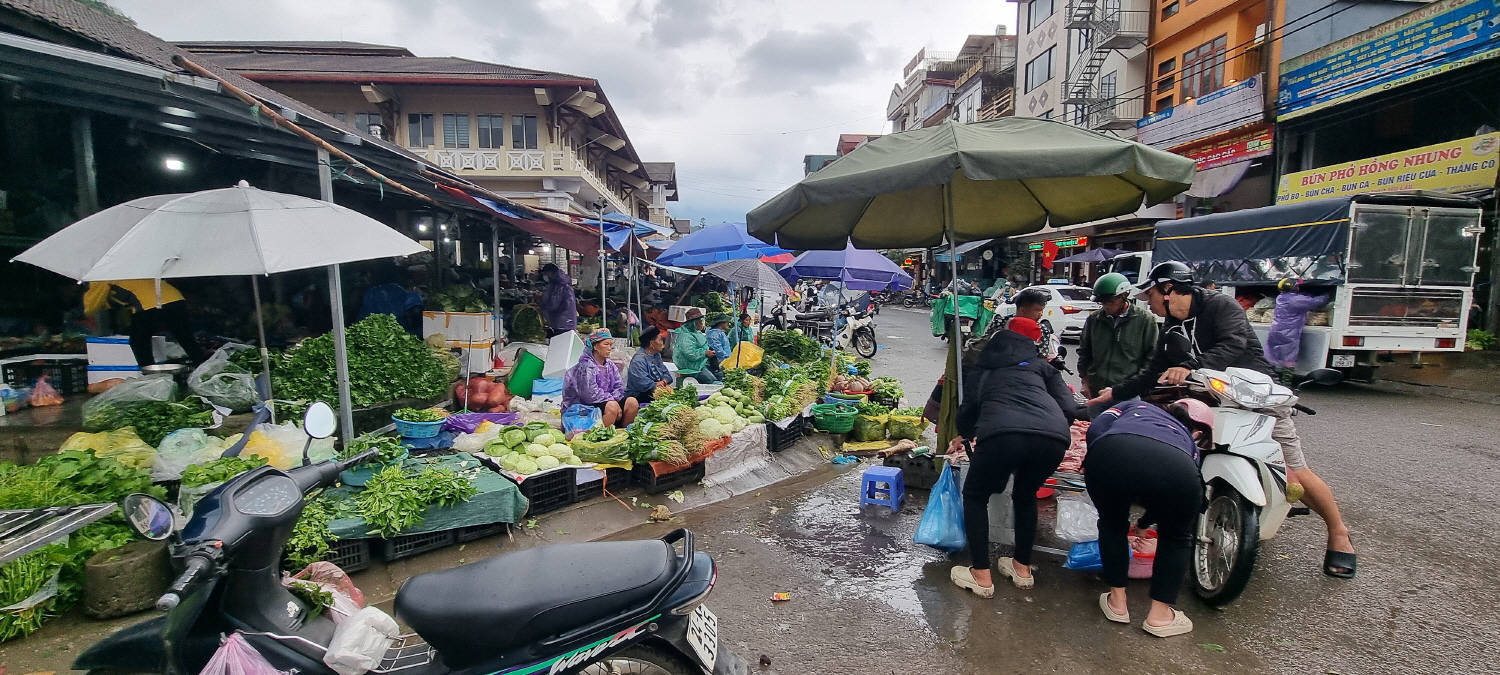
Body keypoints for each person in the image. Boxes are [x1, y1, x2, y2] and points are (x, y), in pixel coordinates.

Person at [1088, 261, 1357, 578]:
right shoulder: (1172, 324)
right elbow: (1152, 371)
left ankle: (1339, 532)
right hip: (1210, 401)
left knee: (1294, 471)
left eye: (1151, 296)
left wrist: (1192, 367)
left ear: (1169, 289)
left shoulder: (1220, 305)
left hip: (1258, 398)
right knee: (1184, 457)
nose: (1149, 304)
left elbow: (1233, 344)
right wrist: (1115, 393)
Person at [949, 316, 1078, 597]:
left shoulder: (982, 369)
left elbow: (968, 411)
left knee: (975, 495)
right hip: (1053, 439)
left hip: (1001, 435)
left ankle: (981, 575)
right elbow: (1070, 407)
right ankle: (1021, 568)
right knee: (1025, 494)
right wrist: (1050, 427)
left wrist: (967, 434)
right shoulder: (1043, 367)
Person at [1086, 398, 1211, 637]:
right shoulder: (1189, 443)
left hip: (1111, 451)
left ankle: (1117, 602)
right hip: (1176, 467)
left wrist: (1094, 458)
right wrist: (1146, 522)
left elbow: (1097, 427)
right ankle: (1160, 616)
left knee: (1112, 524)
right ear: (1197, 431)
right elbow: (1171, 495)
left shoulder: (1136, 406)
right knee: (1176, 537)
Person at [1077, 273, 1157, 411]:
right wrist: (1085, 380)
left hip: (1128, 393)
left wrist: (1135, 384)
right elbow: (1084, 352)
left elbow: (1152, 358)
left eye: (1110, 302)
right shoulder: (1094, 320)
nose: (1106, 307)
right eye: (1102, 303)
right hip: (1097, 391)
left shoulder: (1145, 320)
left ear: (1124, 296)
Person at [84, 279, 207, 367]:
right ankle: (204, 368)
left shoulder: (100, 277)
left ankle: (149, 374)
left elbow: (92, 303)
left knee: (139, 342)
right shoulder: (125, 269)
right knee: (185, 338)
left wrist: (85, 313)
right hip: (175, 299)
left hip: (150, 304)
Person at [562, 329, 638, 427]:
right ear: (595, 346)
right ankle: (602, 436)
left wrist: (614, 399)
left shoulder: (610, 365)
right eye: (606, 344)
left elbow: (619, 386)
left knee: (632, 402)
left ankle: (623, 432)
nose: (609, 348)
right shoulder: (585, 367)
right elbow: (589, 395)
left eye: (611, 345)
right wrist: (612, 401)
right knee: (612, 406)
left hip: (606, 402)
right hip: (584, 406)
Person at [624, 326, 673, 404]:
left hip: (656, 390)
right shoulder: (639, 360)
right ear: (651, 343)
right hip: (639, 395)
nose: (662, 343)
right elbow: (642, 384)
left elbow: (667, 374)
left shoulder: (657, 356)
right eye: (660, 340)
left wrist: (663, 381)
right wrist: (656, 384)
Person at [672, 308, 719, 384]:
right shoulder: (686, 336)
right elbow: (690, 353)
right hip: (692, 367)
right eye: (700, 321)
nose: (702, 323)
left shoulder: (697, 332)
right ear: (693, 323)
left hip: (702, 363)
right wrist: (705, 353)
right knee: (713, 382)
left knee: (720, 376)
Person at [539, 263, 577, 337]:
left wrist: (542, 306)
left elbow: (553, 305)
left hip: (562, 323)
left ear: (551, 272)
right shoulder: (561, 283)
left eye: (546, 274)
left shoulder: (559, 286)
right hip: (565, 322)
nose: (545, 276)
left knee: (561, 344)